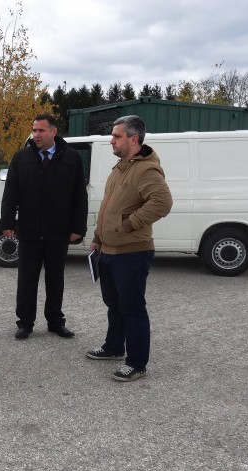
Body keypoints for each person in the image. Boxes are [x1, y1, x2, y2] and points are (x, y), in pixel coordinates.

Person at [86, 115, 172, 382]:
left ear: (133, 139)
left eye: (117, 136)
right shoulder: (121, 167)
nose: (111, 140)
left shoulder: (146, 169)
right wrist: (99, 236)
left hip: (132, 252)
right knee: (114, 304)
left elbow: (162, 202)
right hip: (109, 250)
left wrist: (129, 224)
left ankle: (136, 363)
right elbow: (109, 207)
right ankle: (113, 347)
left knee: (133, 308)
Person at [0, 113, 88, 340]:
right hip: (29, 231)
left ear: (53, 132)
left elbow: (79, 195)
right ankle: (25, 323)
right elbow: (11, 193)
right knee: (26, 280)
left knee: (55, 280)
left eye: (41, 130)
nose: (36, 134)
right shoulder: (21, 158)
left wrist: (78, 227)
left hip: (58, 232)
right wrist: (8, 222)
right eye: (34, 130)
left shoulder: (71, 158)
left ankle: (55, 322)